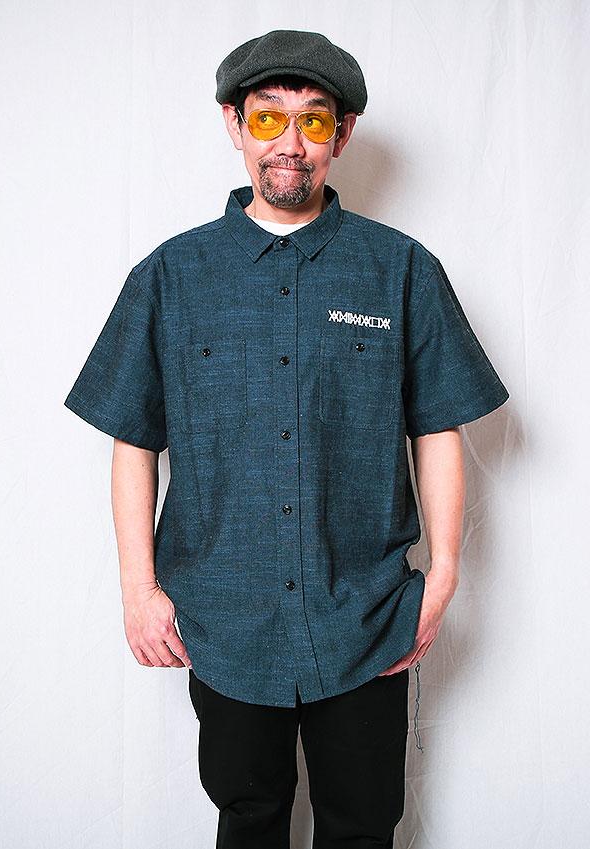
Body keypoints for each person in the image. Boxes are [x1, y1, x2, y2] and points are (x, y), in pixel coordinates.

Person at [64, 28, 510, 849]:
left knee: (362, 827)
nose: (291, 143)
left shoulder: (401, 270)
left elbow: (437, 426)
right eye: (269, 118)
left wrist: (443, 575)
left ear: (343, 134)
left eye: (314, 120)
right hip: (224, 620)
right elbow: (133, 438)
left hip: (366, 616)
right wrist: (138, 589)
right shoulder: (169, 276)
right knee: (249, 819)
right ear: (235, 125)